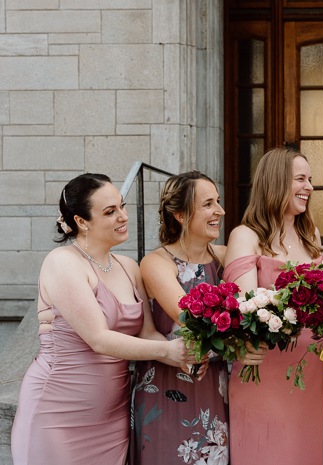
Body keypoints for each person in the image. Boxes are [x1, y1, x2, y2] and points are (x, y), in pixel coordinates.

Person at [11, 173, 194, 465]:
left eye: (122, 206)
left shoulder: (129, 266)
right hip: (57, 415)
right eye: (110, 212)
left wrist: (185, 356)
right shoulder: (62, 263)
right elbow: (98, 338)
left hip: (112, 419)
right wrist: (167, 350)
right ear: (81, 221)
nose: (123, 216)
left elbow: (146, 333)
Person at [222, 147, 323, 465]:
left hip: (316, 370)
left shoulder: (311, 234)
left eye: (309, 179)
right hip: (266, 369)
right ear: (276, 182)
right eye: (300, 179)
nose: (309, 187)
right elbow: (247, 306)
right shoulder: (246, 235)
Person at [130, 171, 230, 464]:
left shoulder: (225, 257)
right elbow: (190, 317)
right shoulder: (156, 263)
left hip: (213, 385)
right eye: (208, 204)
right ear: (181, 215)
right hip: (166, 388)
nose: (220, 211)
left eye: (219, 202)